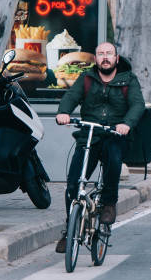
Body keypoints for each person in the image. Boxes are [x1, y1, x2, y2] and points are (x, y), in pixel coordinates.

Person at [54, 42, 145, 253]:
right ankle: (70, 228)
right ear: (95, 59)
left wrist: (127, 124)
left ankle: (109, 203)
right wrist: (63, 112)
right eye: (101, 54)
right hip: (89, 135)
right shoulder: (87, 78)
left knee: (114, 157)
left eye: (109, 54)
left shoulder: (128, 80)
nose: (105, 57)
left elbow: (137, 104)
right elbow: (71, 96)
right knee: (73, 184)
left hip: (115, 134)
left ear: (116, 58)